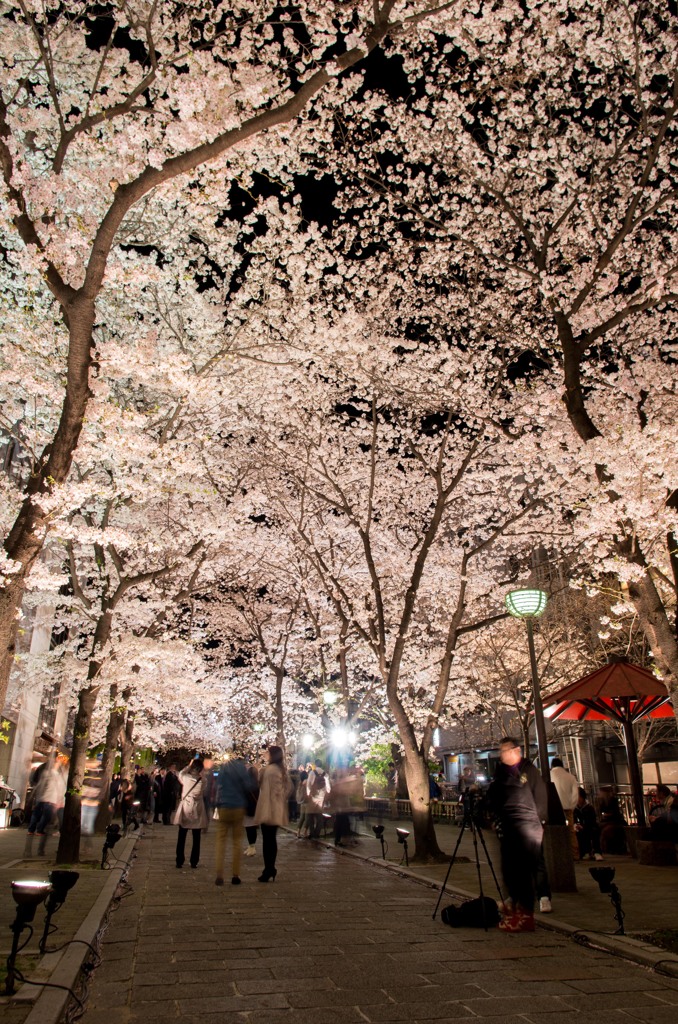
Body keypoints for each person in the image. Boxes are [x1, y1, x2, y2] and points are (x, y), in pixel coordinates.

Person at [488, 737, 547, 933]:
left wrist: (540, 822)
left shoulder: (529, 770)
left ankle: (525, 914)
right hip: (509, 828)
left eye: (506, 750)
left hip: (528, 827)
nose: (503, 754)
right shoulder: (500, 774)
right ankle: (514, 908)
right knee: (510, 870)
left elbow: (540, 797)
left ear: (517, 750)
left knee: (524, 872)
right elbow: (495, 798)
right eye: (501, 751)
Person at [214, 751, 253, 886]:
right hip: (238, 806)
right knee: (237, 842)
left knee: (221, 841)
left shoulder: (224, 768)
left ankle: (219, 875)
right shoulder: (242, 769)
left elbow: (218, 786)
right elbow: (248, 786)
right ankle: (235, 875)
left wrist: (215, 804)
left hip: (224, 806)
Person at [253, 745, 290, 882]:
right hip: (277, 808)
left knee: (267, 840)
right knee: (271, 839)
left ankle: (268, 869)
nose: (265, 754)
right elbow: (288, 788)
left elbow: (259, 784)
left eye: (267, 752)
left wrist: (257, 770)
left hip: (268, 807)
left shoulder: (268, 770)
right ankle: (270, 868)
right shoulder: (281, 770)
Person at [173, 759, 208, 869]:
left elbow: (181, 774)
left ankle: (179, 860)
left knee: (182, 835)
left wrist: (189, 765)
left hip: (186, 807)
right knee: (196, 837)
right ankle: (194, 861)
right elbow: (204, 788)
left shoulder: (186, 778)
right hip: (197, 808)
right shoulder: (203, 780)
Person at [574, 787, 603, 860]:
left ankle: (597, 852)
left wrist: (583, 826)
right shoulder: (575, 808)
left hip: (590, 826)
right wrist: (576, 825)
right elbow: (574, 820)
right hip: (580, 827)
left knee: (594, 831)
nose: (577, 799)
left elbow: (592, 821)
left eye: (578, 797)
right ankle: (585, 852)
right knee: (578, 833)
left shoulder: (589, 807)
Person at [596, 785, 627, 854]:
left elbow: (615, 813)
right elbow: (600, 811)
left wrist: (607, 814)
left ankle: (604, 849)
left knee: (605, 830)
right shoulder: (603, 802)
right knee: (597, 828)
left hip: (615, 821)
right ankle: (601, 848)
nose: (599, 794)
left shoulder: (613, 800)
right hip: (607, 821)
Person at [306, 759, 329, 839]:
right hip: (321, 797)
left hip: (313, 796)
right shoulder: (325, 774)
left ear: (315, 764)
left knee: (310, 815)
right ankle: (317, 833)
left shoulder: (312, 772)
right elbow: (328, 787)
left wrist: (308, 793)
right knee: (319, 815)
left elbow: (309, 784)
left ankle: (312, 833)